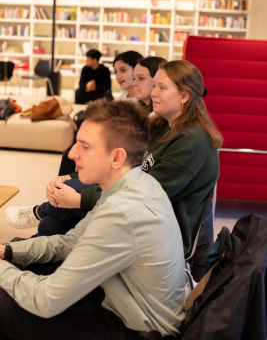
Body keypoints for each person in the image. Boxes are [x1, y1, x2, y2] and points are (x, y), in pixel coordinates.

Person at [6, 60, 222, 281]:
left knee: (64, 211)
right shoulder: (163, 125)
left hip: (153, 231)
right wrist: (72, 177)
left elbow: (143, 196)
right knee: (55, 220)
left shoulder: (193, 142)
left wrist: (80, 199)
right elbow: (118, 163)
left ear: (184, 96)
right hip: (132, 212)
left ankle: (21, 255)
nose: (153, 92)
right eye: (154, 85)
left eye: (161, 87)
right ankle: (19, 258)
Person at [0, 99, 186, 340]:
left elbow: (46, 300)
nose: (72, 153)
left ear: (117, 158)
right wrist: (8, 251)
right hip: (122, 301)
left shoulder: (123, 213)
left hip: (135, 331)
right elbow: (70, 243)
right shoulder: (133, 184)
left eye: (84, 146)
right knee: (21, 262)